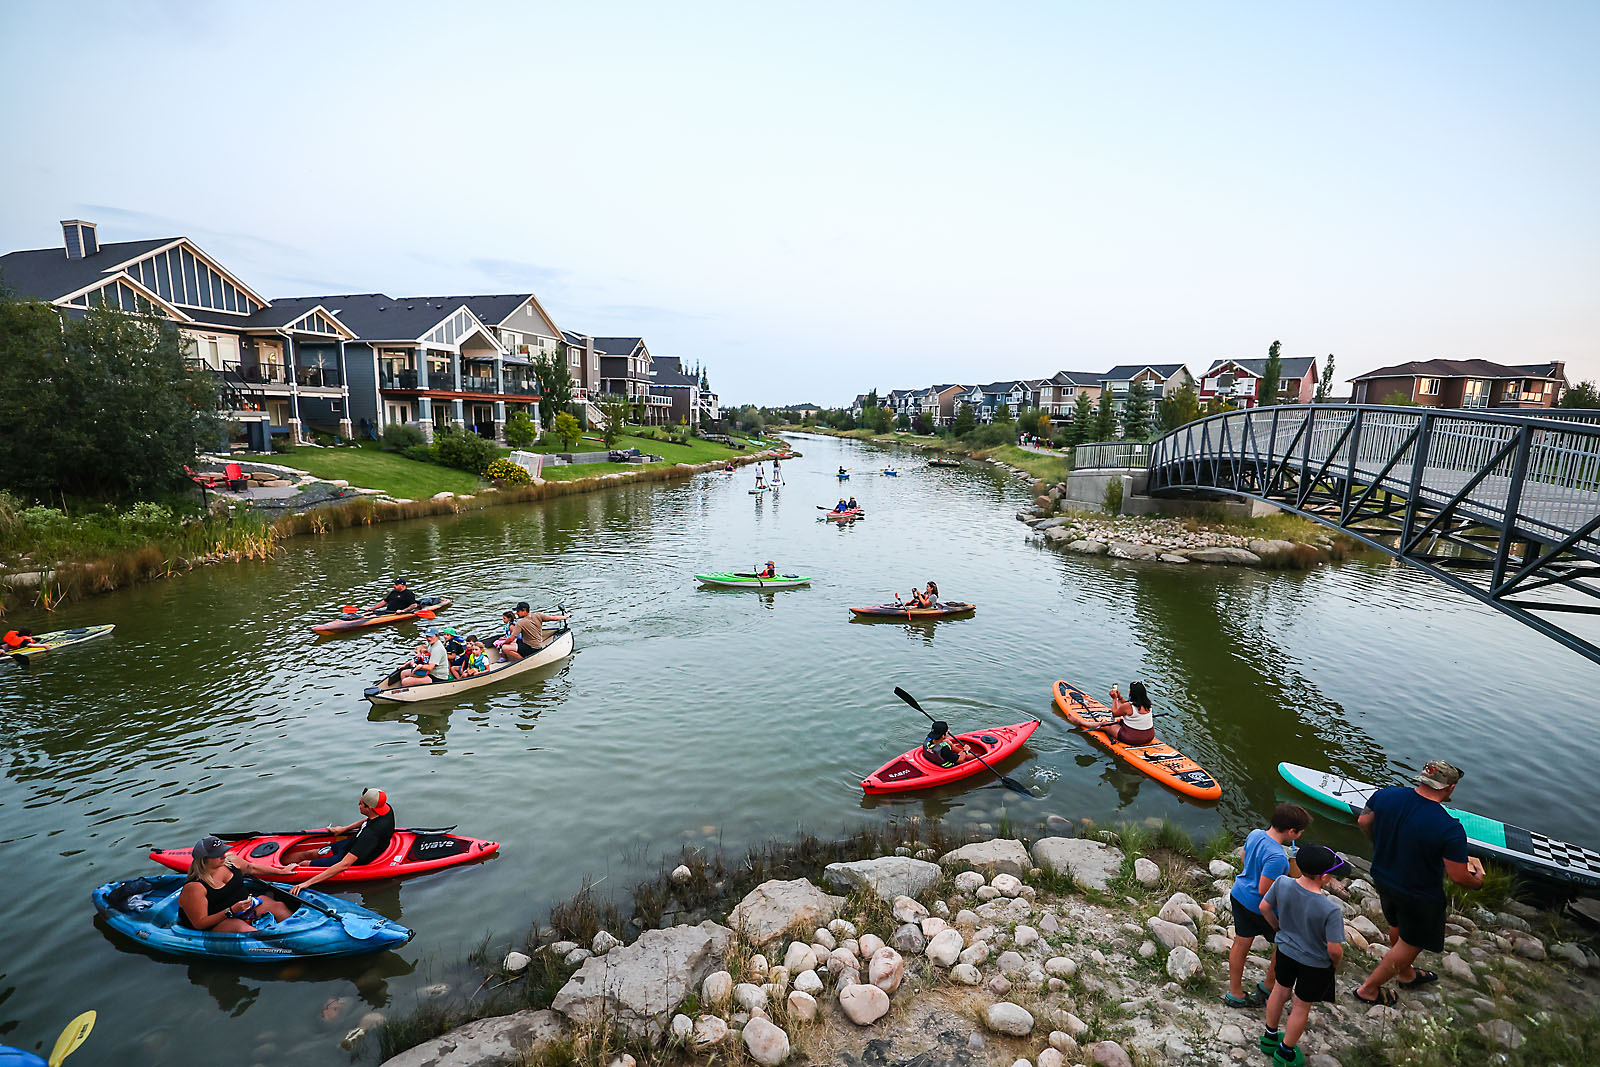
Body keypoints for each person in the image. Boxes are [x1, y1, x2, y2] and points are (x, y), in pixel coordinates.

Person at [1352, 760, 1483, 1006]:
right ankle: (1368, 989)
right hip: (1419, 893)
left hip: (1382, 875)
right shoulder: (1449, 828)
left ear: (1422, 778)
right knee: (1413, 941)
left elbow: (1363, 822)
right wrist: (1477, 882)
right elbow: (1458, 876)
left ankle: (1405, 974)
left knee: (1397, 924)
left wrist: (1379, 842)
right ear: (1450, 788)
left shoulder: (1385, 795)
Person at [1259, 843, 1347, 1067]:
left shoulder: (1282, 882)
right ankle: (1285, 1052)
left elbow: (1264, 907)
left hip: (1285, 951)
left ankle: (1269, 1037)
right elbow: (1334, 949)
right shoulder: (1330, 910)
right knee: (1300, 1006)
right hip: (1314, 964)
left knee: (1279, 991)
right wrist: (1335, 963)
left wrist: (1278, 928)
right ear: (1324, 877)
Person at [1224, 803, 1314, 1008]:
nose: (1300, 835)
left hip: (1239, 894)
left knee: (1241, 942)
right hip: (1259, 907)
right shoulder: (1278, 858)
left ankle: (1235, 992)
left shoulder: (1255, 834)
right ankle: (1269, 985)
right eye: (1300, 832)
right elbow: (1265, 890)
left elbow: (1245, 859)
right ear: (1291, 831)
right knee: (1284, 942)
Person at [288, 788, 398, 893]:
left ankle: (284, 873)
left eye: (361, 803)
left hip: (352, 858)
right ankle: (282, 866)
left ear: (369, 808)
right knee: (309, 853)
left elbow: (344, 864)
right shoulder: (384, 809)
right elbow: (368, 819)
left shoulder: (370, 835)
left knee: (304, 864)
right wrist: (344, 829)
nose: (358, 804)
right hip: (350, 845)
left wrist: (306, 883)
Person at [178, 835, 294, 932]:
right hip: (220, 919)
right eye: (217, 854)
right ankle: (278, 945)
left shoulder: (231, 861)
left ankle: (295, 930)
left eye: (223, 851)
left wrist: (281, 872)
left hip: (243, 907)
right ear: (204, 860)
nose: (223, 855)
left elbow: (251, 868)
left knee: (279, 907)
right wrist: (231, 911)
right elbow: (200, 923)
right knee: (243, 929)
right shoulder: (195, 887)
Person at [500, 602, 571, 661]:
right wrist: (565, 616)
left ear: (524, 611)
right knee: (512, 642)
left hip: (531, 648)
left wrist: (503, 644)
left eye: (518, 611)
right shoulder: (538, 615)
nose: (516, 613)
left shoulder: (520, 623)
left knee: (505, 648)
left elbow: (511, 638)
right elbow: (554, 618)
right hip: (537, 645)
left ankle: (523, 661)